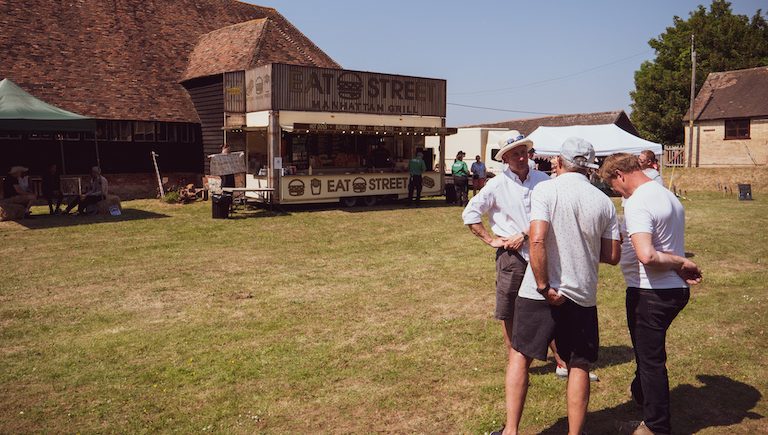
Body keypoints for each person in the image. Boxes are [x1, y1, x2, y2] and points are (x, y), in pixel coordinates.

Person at [500, 137, 621, 435]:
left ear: (560, 161)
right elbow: (612, 255)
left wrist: (544, 285)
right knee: (579, 364)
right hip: (581, 291)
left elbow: (537, 239)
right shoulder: (604, 201)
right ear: (589, 166)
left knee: (520, 355)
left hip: (538, 290)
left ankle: (511, 430)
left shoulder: (546, 189)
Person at [599, 153, 702, 435]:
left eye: (613, 186)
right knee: (648, 356)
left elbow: (647, 255)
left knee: (650, 362)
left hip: (651, 293)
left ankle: (656, 426)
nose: (616, 192)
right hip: (671, 289)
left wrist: (681, 263)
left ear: (620, 175)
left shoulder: (638, 202)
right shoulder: (666, 195)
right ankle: (641, 394)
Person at [462, 135, 552, 435]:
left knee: (549, 303)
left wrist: (524, 234)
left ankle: (561, 360)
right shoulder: (496, 185)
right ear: (504, 159)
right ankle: (517, 358)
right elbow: (470, 214)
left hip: (540, 252)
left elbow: (551, 214)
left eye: (524, 152)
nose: (521, 158)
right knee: (509, 309)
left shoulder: (543, 180)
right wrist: (491, 240)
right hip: (512, 258)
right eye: (514, 154)